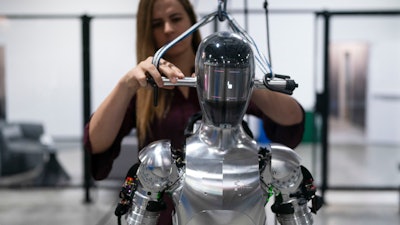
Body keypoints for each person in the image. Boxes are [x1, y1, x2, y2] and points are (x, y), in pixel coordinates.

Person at [83, 0, 305, 224]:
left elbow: (292, 119)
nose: (168, 29)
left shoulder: (225, 85)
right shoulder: (144, 90)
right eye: (157, 23)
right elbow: (96, 144)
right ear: (146, 30)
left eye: (176, 19)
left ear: (191, 20)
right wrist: (126, 84)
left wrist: (238, 77)